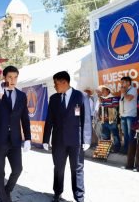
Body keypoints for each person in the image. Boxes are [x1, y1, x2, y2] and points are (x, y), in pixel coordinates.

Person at [43, 71, 92, 202]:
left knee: (77, 169)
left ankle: (79, 197)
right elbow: (49, 120)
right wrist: (46, 139)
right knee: (58, 168)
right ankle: (57, 192)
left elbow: (86, 118)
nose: (54, 86)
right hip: (58, 141)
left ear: (64, 82)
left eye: (56, 83)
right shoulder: (53, 99)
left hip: (76, 140)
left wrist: (86, 139)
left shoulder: (81, 96)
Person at [0, 65, 31, 202]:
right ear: (4, 77)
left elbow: (25, 118)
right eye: (10, 77)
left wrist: (28, 138)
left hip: (15, 140)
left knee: (17, 169)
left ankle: (6, 191)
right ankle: (5, 199)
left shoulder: (22, 96)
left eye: (15, 77)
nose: (13, 80)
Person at [98, 85, 121, 152]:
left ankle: (117, 149)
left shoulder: (113, 98)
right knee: (105, 136)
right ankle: (105, 150)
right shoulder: (102, 99)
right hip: (104, 121)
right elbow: (100, 109)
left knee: (115, 136)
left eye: (103, 90)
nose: (102, 92)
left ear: (108, 90)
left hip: (112, 121)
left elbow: (115, 108)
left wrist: (108, 116)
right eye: (101, 91)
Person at [119, 76, 138, 153]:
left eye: (122, 82)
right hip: (123, 115)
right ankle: (126, 149)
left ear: (128, 82)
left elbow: (129, 98)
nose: (121, 84)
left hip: (130, 114)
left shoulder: (133, 89)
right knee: (125, 134)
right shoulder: (123, 90)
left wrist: (123, 92)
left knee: (131, 134)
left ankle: (131, 150)